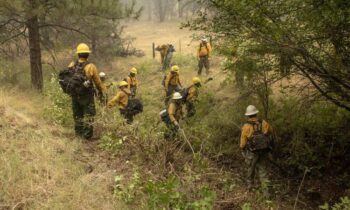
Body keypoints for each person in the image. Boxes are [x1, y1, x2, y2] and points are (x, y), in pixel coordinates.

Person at [68, 43, 106, 140]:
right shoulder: (91, 66)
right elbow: (97, 82)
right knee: (89, 114)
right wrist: (102, 92)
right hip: (87, 96)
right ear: (87, 54)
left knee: (77, 114)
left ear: (78, 54)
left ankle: (78, 134)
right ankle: (87, 136)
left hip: (75, 95)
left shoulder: (72, 65)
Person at [240, 105, 274, 196]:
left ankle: (250, 189)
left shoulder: (246, 126)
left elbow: (243, 143)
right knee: (263, 172)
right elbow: (271, 132)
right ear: (256, 113)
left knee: (250, 170)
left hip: (252, 153)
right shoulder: (264, 123)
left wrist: (242, 150)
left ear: (248, 115)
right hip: (263, 151)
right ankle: (266, 193)